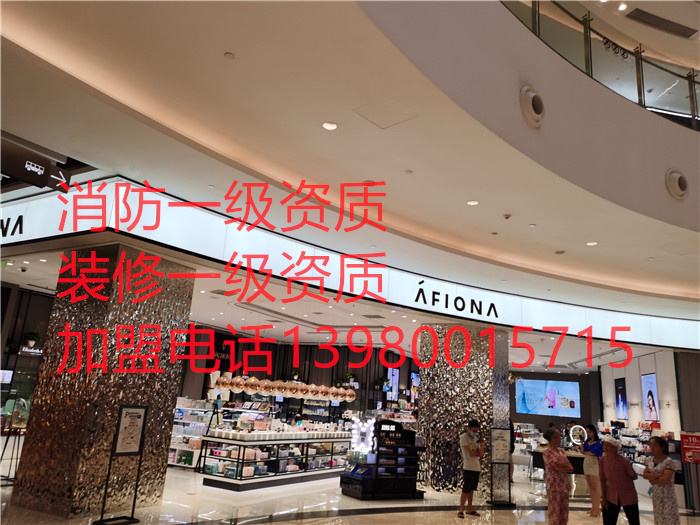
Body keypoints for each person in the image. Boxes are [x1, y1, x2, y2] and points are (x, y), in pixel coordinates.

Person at [599, 436, 640, 525]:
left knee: (634, 520)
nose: (605, 448)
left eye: (608, 446)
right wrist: (603, 497)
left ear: (615, 448)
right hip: (611, 495)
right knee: (608, 521)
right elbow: (602, 479)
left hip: (628, 495)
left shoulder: (624, 461)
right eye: (604, 445)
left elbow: (634, 476)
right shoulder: (602, 460)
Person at [643, 437, 680, 525]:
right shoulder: (650, 460)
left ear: (662, 447)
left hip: (667, 495)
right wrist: (657, 476)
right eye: (650, 445)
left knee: (670, 519)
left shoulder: (668, 461)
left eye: (654, 445)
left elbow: (666, 479)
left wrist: (652, 479)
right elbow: (645, 475)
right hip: (656, 495)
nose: (652, 447)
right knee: (659, 519)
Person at [543, 427, 573, 525]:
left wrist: (564, 467)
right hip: (554, 486)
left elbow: (570, 467)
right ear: (553, 438)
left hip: (564, 485)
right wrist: (565, 467)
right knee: (554, 512)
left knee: (564, 512)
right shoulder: (547, 451)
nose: (560, 439)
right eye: (559, 437)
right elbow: (557, 467)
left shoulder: (561, 451)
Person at [458, 420, 484, 518]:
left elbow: (480, 454)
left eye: (477, 431)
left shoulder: (476, 439)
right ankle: (461, 510)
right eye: (474, 431)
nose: (475, 433)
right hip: (468, 467)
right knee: (466, 489)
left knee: (472, 490)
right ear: (468, 428)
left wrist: (482, 445)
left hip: (476, 467)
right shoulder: (464, 438)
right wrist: (477, 452)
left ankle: (470, 508)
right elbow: (471, 453)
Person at [580, 424, 603, 517]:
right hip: (586, 463)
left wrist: (586, 452)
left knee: (595, 487)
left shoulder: (599, 442)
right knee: (591, 488)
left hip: (594, 464)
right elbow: (583, 451)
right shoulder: (587, 442)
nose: (588, 434)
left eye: (589, 432)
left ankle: (597, 508)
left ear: (593, 431)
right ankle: (593, 507)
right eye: (587, 432)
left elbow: (594, 453)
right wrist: (581, 443)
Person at [509, 418, 515, 483]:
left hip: (508, 444)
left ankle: (510, 476)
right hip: (510, 444)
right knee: (510, 459)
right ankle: (510, 477)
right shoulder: (511, 424)